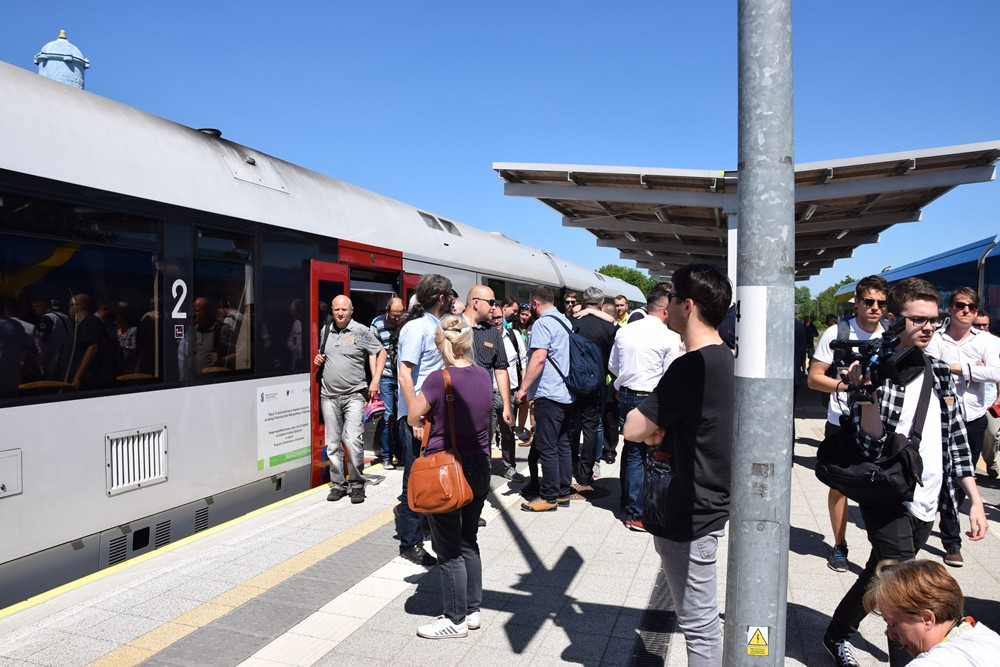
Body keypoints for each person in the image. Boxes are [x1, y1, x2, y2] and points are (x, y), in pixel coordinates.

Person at [821, 277, 988, 667]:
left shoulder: (940, 370)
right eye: (919, 320)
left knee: (878, 573)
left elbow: (956, 440)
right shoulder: (875, 369)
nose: (929, 327)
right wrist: (864, 396)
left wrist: (975, 499)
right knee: (905, 592)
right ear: (896, 319)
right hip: (889, 494)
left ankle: (836, 633)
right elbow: (870, 446)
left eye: (934, 319)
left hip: (929, 499)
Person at [623, 263, 734, 667]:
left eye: (670, 298)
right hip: (708, 498)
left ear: (687, 305)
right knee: (700, 619)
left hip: (689, 510)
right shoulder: (727, 358)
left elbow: (634, 426)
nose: (664, 305)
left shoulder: (691, 366)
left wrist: (653, 426)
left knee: (699, 623)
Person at [408, 316, 493, 639]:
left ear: (439, 343)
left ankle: (454, 620)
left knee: (448, 548)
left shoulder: (437, 379)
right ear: (467, 342)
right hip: (479, 466)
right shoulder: (483, 375)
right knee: (469, 539)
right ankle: (472, 610)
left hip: (446, 469)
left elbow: (415, 414)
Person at [808, 275, 889, 573]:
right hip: (841, 422)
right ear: (856, 302)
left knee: (882, 487)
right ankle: (839, 545)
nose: (875, 308)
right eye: (869, 301)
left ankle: (883, 554)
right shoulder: (836, 332)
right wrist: (848, 389)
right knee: (840, 486)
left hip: (880, 423)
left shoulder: (892, 336)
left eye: (881, 302)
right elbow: (814, 378)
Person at [926, 287, 1000, 567]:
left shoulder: (987, 341)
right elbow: (932, 368)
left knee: (961, 479)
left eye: (972, 306)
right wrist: (975, 368)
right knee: (946, 476)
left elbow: (996, 372)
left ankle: (947, 520)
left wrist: (959, 368)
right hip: (942, 419)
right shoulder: (937, 337)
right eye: (960, 305)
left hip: (973, 419)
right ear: (950, 308)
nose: (966, 310)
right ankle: (952, 542)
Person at [608, 282, 682, 531]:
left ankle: (628, 504)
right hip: (652, 398)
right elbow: (672, 374)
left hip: (626, 395)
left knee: (631, 451)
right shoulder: (670, 337)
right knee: (650, 454)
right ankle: (639, 512)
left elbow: (614, 366)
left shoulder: (624, 331)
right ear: (664, 309)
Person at [396, 274, 457, 566]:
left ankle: (425, 525)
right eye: (450, 297)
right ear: (442, 298)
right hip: (419, 417)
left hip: (433, 415)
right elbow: (405, 374)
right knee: (415, 476)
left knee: (430, 472)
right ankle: (410, 542)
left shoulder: (435, 326)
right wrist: (414, 419)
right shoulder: (416, 328)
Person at [313, 295, 385, 505]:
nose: (340, 313)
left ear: (351, 310)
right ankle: (338, 484)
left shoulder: (361, 331)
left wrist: (376, 380)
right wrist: (318, 359)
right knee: (333, 443)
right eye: (337, 310)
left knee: (353, 440)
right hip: (329, 396)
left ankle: (357, 483)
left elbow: (380, 353)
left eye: (344, 309)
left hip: (354, 395)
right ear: (332, 311)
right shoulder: (325, 330)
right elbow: (322, 357)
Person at [863, 559, 1000, 664]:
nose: (892, 636)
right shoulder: (990, 638)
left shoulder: (929, 663)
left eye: (893, 624)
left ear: (927, 619)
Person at [514, 285, 574, 512]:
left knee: (547, 446)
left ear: (535, 303)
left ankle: (548, 497)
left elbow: (538, 358)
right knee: (563, 444)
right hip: (566, 393)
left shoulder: (542, 324)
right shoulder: (564, 321)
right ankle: (562, 493)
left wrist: (523, 389)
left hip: (548, 393)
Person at [460, 287, 513, 478]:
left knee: (482, 453)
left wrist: (507, 406)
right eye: (490, 302)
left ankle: (480, 486)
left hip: (485, 406)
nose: (493, 307)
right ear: (476, 303)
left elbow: (500, 370)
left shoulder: (493, 333)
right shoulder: (452, 327)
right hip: (455, 404)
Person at [567, 287, 616, 486]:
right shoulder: (609, 328)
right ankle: (586, 472)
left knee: (572, 426)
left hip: (572, 382)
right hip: (597, 384)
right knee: (591, 427)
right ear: (601, 304)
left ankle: (571, 463)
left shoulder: (570, 323)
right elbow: (614, 359)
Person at [370, 297, 406, 469]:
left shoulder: (405, 323)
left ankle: (401, 454)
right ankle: (386, 456)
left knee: (402, 416)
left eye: (399, 315)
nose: (397, 319)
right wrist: (374, 379)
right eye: (393, 315)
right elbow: (372, 353)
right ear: (387, 310)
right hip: (384, 376)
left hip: (402, 376)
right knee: (387, 415)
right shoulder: (377, 324)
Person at [494, 305, 527, 481]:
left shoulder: (513, 336)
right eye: (494, 318)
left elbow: (523, 362)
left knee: (508, 432)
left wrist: (524, 388)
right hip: (489, 393)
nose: (498, 321)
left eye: (500, 317)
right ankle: (482, 470)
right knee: (485, 434)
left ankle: (509, 467)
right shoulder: (483, 336)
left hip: (510, 392)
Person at [972, 311, 1000, 478]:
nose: (982, 329)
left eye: (985, 325)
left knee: (992, 433)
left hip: (990, 400)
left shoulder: (996, 343)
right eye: (978, 325)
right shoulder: (963, 343)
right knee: (971, 437)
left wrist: (999, 396)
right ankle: (969, 469)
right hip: (968, 401)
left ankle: (989, 460)